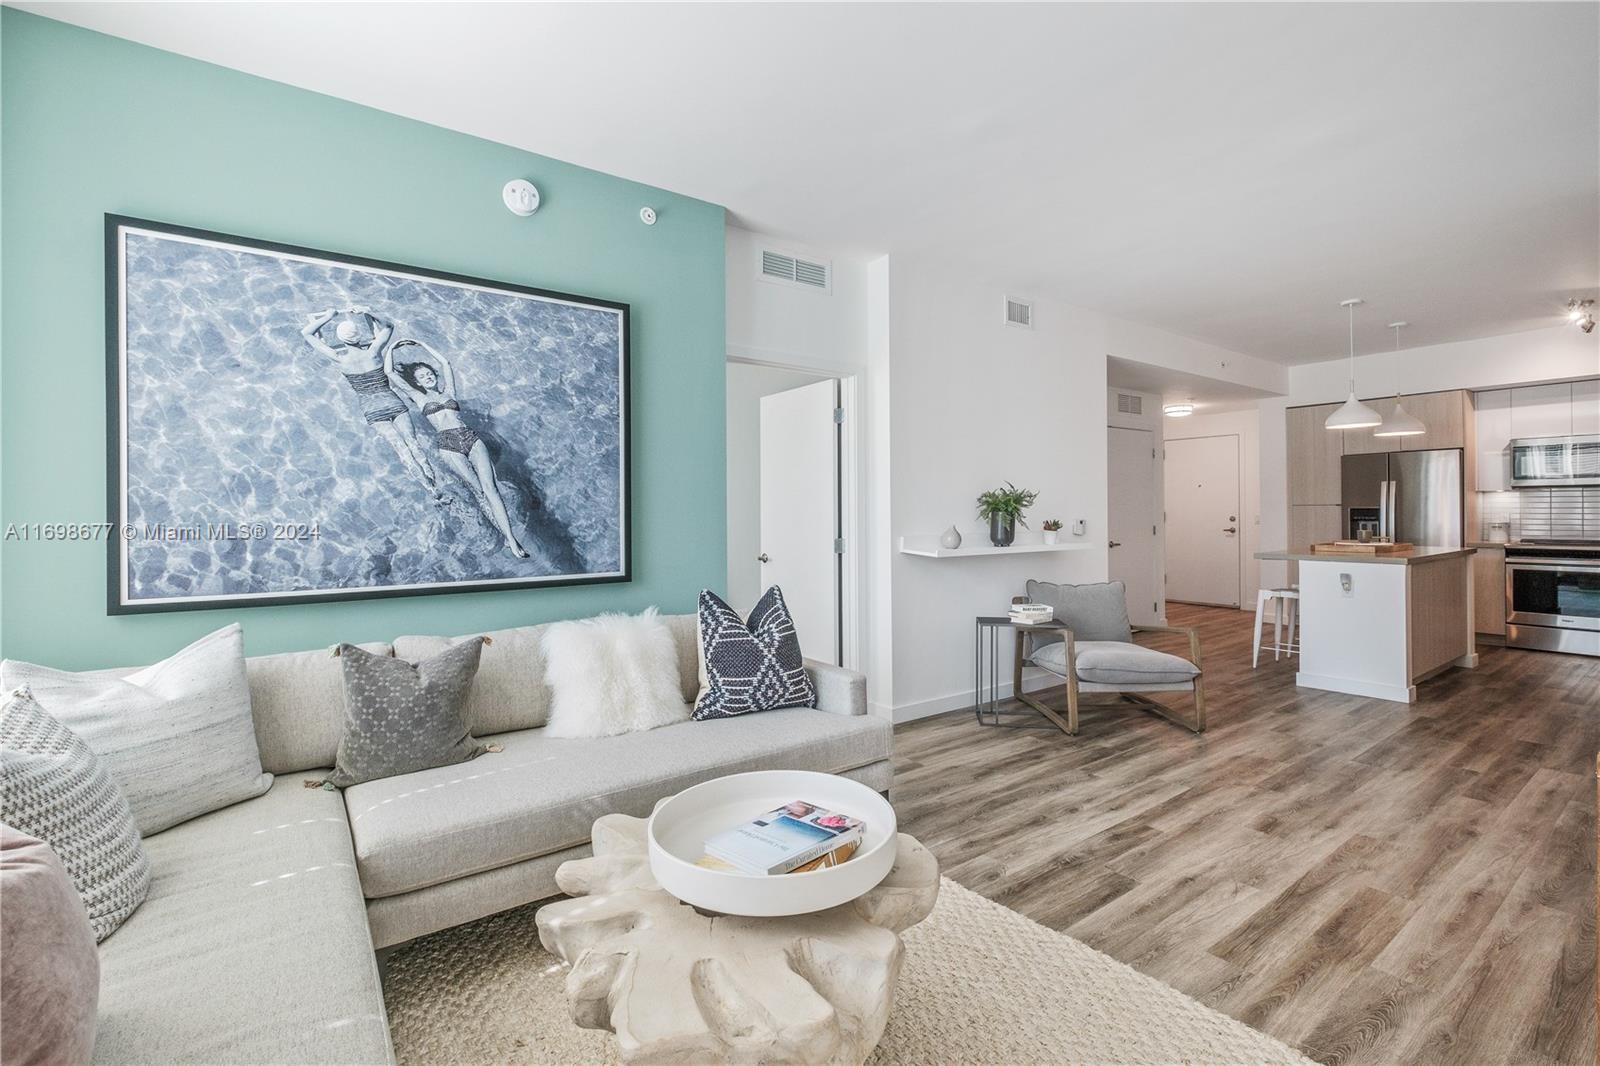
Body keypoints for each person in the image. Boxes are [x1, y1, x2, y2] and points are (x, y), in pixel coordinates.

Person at [385, 338, 530, 559]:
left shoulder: (449, 392)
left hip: (470, 438)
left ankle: (510, 539)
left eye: (429, 373)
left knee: (492, 489)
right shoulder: (418, 397)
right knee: (479, 491)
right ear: (418, 383)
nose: (428, 377)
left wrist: (421, 344)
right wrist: (392, 347)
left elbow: (445, 364)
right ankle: (504, 536)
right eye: (422, 377)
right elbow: (391, 374)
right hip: (448, 444)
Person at [301, 307, 438, 492]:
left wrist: (328, 316)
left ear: (341, 340)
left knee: (402, 450)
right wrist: (368, 311)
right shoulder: (373, 352)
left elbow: (307, 332)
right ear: (358, 336)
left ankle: (430, 490)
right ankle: (433, 478)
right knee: (412, 443)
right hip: (393, 401)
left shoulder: (340, 359)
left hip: (372, 409)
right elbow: (389, 325)